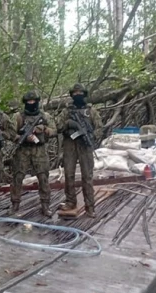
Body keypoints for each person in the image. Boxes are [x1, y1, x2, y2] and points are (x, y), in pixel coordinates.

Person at [56, 83, 103, 217]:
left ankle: (90, 206)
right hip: (70, 145)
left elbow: (99, 128)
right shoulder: (67, 111)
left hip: (85, 146)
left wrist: (91, 136)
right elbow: (58, 127)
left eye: (80, 93)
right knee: (69, 175)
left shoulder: (91, 111)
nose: (78, 95)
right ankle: (70, 202)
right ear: (72, 95)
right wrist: (69, 124)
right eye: (75, 93)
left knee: (87, 176)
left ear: (84, 94)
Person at [11, 91, 56, 216]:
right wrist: (23, 138)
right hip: (23, 150)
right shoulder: (18, 117)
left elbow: (54, 130)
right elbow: (10, 133)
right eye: (29, 101)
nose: (31, 103)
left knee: (43, 177)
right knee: (18, 177)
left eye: (33, 101)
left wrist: (44, 129)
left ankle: (45, 205)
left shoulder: (45, 116)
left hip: (39, 150)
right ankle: (15, 204)